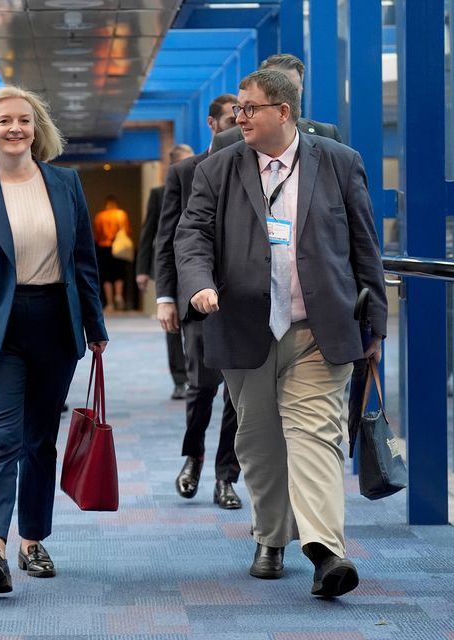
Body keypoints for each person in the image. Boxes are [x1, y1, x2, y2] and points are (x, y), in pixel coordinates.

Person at [174, 69, 386, 597]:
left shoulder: (338, 163)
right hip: (245, 325)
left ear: (283, 112)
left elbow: (365, 245)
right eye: (239, 109)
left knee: (316, 434)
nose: (238, 117)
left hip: (318, 327)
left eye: (250, 108)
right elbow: (192, 234)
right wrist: (199, 285)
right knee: (259, 442)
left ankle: (323, 550)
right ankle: (271, 537)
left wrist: (375, 323)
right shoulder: (218, 168)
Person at [0, 86, 108, 595]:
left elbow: (83, 261)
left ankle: (33, 539)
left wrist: (94, 327)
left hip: (55, 321)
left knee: (39, 441)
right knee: (2, 438)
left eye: (24, 121)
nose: (15, 129)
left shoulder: (66, 183)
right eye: (4, 121)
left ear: (37, 129)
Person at [155, 94, 243, 510]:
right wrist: (167, 296)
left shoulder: (255, 167)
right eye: (231, 116)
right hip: (198, 298)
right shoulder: (185, 172)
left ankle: (227, 476)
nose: (238, 122)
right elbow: (169, 238)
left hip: (245, 301)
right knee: (202, 387)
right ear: (213, 123)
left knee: (238, 396)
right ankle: (194, 456)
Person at [136, 143, 194, 400]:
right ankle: (180, 380)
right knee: (173, 325)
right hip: (169, 266)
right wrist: (142, 270)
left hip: (196, 265)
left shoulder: (208, 183)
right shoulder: (160, 193)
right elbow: (149, 232)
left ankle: (198, 375)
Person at [210, 53, 342, 153]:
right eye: (277, 89)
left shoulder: (326, 134)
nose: (286, 97)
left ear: (301, 89)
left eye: (292, 89)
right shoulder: (226, 142)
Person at [93, 196, 131, 311]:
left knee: (106, 275)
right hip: (119, 248)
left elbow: (96, 233)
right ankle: (118, 295)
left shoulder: (100, 216)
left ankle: (110, 302)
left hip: (104, 247)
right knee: (119, 273)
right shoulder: (121, 214)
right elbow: (127, 231)